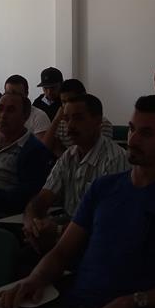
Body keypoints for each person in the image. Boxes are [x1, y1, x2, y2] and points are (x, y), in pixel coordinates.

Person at [0, 95, 155, 308]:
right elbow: (62, 252)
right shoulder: (103, 188)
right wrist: (35, 279)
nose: (133, 140)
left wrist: (131, 303)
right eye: (132, 129)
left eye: (146, 134)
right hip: (76, 306)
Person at [23, 94, 130, 255]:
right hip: (65, 235)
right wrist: (32, 223)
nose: (70, 125)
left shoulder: (114, 159)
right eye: (66, 119)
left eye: (78, 118)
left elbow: (107, 220)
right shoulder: (68, 156)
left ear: (98, 121)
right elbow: (42, 199)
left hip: (97, 243)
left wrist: (58, 230)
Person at [41, 79, 114, 157]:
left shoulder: (101, 124)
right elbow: (44, 149)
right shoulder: (61, 123)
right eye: (64, 102)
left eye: (71, 100)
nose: (67, 106)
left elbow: (98, 153)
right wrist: (56, 120)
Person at [3, 75, 51, 139]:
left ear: (26, 94)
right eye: (8, 93)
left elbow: (40, 145)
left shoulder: (39, 117)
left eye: (16, 94)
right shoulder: (1, 115)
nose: (11, 98)